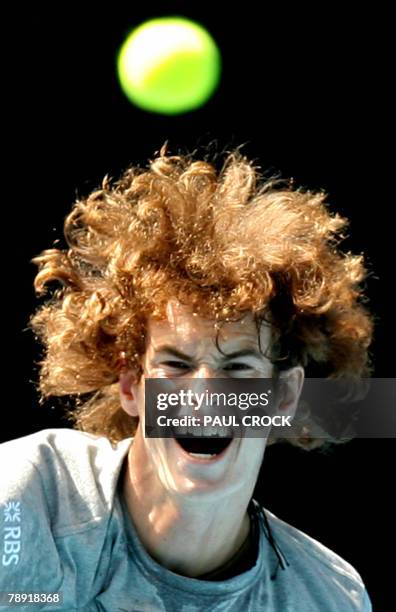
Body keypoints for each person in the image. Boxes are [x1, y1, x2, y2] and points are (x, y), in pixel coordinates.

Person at [1, 144, 374, 611]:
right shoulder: (20, 499)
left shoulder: (329, 597)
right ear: (130, 385)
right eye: (175, 365)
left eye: (238, 369)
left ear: (284, 397)